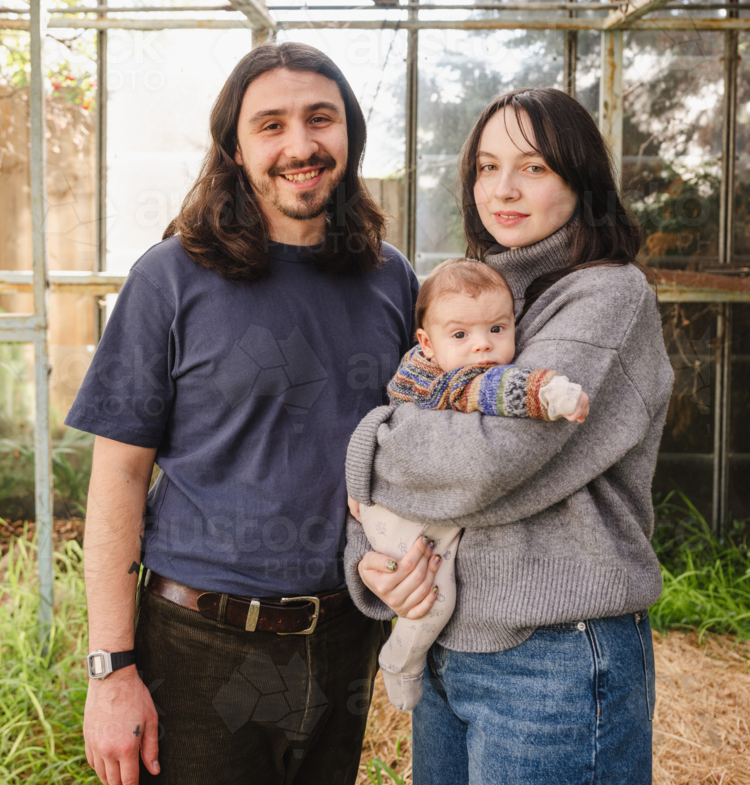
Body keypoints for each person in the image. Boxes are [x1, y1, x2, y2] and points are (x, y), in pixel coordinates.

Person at [66, 42, 420, 785]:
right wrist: (112, 670)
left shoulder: (392, 281)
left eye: (321, 119)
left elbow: (415, 451)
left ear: (349, 135)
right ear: (235, 146)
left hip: (343, 639)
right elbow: (118, 479)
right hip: (198, 645)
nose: (301, 145)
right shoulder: (168, 279)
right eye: (272, 125)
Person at [345, 88, 674, 785]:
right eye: (486, 167)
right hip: (450, 649)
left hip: (555, 656)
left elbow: (486, 465)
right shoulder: (486, 296)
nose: (503, 189)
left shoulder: (605, 296)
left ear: (580, 179)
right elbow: (421, 423)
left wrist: (370, 444)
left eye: (533, 167)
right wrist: (374, 562)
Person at [347, 257, 588, 711]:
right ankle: (402, 659)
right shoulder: (453, 382)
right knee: (436, 598)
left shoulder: (433, 365)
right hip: (405, 514)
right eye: (461, 335)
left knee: (427, 592)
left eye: (497, 329)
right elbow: (503, 391)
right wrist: (555, 394)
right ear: (427, 342)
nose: (483, 347)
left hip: (408, 503)